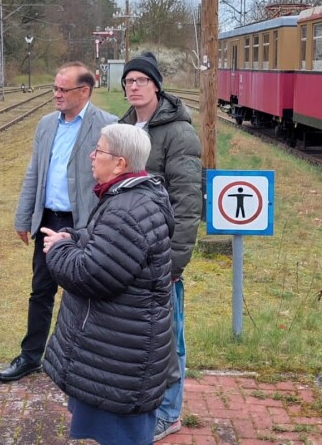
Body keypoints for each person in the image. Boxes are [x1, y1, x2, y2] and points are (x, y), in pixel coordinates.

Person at [41, 123, 175, 444]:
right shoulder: (130, 197)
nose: (91, 156)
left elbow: (91, 274)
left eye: (98, 151)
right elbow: (105, 243)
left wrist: (57, 249)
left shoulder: (127, 209)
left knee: (120, 438)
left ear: (120, 164)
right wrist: (73, 237)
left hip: (122, 359)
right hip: (121, 351)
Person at [0, 62, 116, 383]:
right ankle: (31, 356)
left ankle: (86, 361)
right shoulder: (46, 125)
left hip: (85, 223)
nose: (56, 95)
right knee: (41, 291)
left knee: (85, 293)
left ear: (84, 91)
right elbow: (34, 173)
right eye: (55, 88)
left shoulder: (107, 126)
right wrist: (24, 217)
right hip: (49, 220)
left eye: (63, 90)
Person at [119, 52, 203, 442]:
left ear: (155, 85)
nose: (132, 86)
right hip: (127, 254)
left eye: (140, 80)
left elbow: (187, 205)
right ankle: (141, 404)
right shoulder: (124, 127)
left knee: (169, 336)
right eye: (128, 81)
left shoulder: (178, 133)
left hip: (161, 258)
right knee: (139, 336)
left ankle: (169, 413)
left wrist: (175, 261)